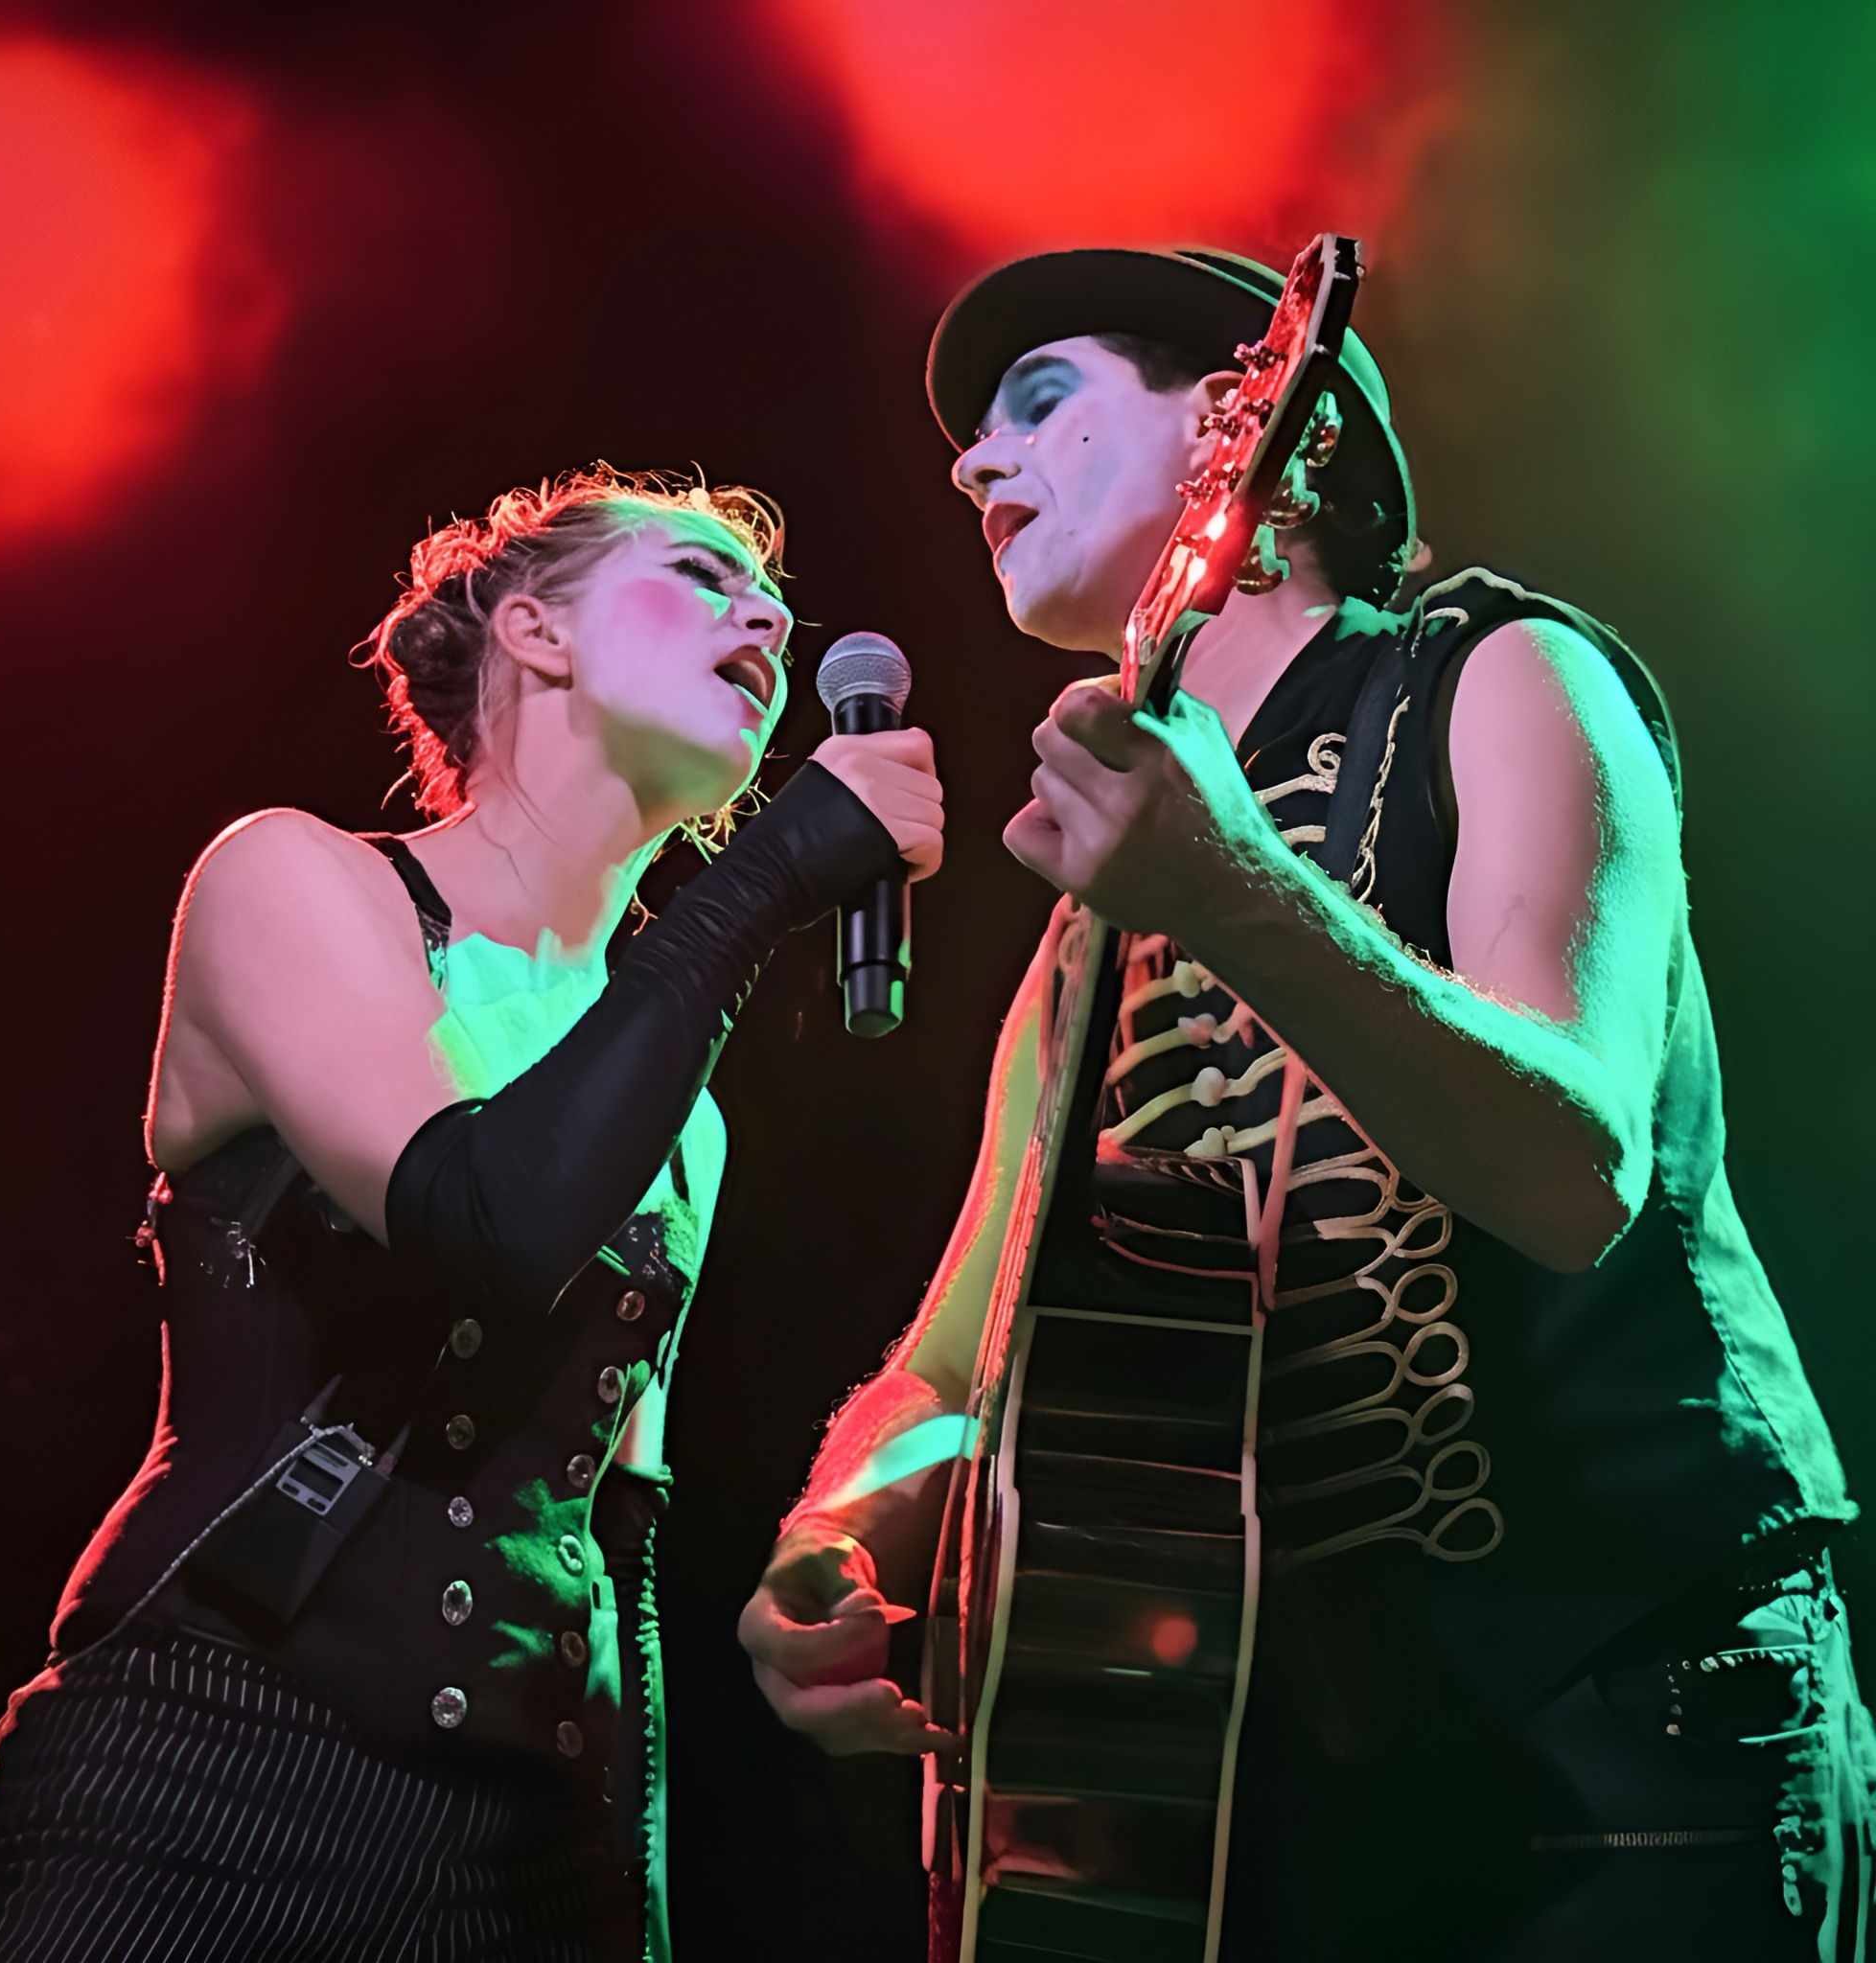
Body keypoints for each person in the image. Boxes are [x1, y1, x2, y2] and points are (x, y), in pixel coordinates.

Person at [739, 248, 1875, 1960]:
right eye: (971, 440)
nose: (976, 464)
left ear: (1245, 421)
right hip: (1259, 1781)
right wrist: (843, 1524)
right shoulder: (1092, 925)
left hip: (1617, 1708)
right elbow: (958, 1358)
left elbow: (1577, 1171)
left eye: (1039, 402)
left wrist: (1232, 892)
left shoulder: (1498, 671)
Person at [0, 468, 943, 1963]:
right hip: (207, 1770)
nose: (770, 616)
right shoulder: (294, 882)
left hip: (522, 1852)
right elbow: (480, 1218)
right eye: (701, 576)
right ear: (534, 630)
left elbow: (615, 1541)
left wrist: (627, 1905)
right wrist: (774, 878)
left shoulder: (684, 1117)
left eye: (771, 603)